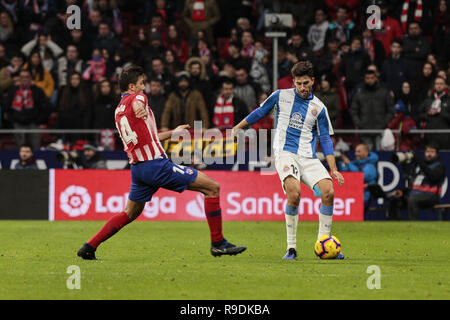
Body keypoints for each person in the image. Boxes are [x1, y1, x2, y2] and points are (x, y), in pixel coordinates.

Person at [77, 65, 246, 260]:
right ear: (131, 86)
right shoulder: (137, 98)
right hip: (155, 165)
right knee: (212, 188)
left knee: (129, 213)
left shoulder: (118, 111)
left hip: (139, 169)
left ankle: (89, 247)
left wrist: (173, 133)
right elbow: (138, 103)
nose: (144, 87)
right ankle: (218, 243)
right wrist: (139, 106)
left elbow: (149, 136)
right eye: (141, 83)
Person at [232, 61, 345, 260]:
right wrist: (237, 128)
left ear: (313, 81)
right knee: (294, 194)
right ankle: (291, 248)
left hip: (308, 157)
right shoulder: (280, 96)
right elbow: (260, 112)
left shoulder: (319, 108)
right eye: (299, 83)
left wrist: (333, 169)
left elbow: (325, 139)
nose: (302, 87)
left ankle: (322, 243)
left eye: (306, 83)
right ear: (293, 81)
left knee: (328, 192)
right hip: (285, 153)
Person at [350, 69, 395, 150]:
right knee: (367, 154)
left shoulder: (384, 92)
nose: (370, 80)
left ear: (376, 78)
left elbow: (391, 110)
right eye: (367, 78)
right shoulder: (359, 93)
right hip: (364, 131)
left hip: (380, 130)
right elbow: (353, 110)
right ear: (364, 79)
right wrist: (359, 123)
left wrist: (384, 122)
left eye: (372, 78)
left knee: (380, 154)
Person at [5, 68, 49, 150]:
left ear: (30, 78)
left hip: (34, 124)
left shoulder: (38, 91)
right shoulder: (13, 90)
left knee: (35, 148)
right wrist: (13, 121)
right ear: (19, 78)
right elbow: (7, 107)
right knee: (20, 150)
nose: (24, 78)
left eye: (27, 76)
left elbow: (45, 108)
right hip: (18, 124)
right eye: (22, 77)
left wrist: (38, 121)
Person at [339, 144, 378, 208]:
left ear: (366, 153)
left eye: (358, 151)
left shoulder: (370, 165)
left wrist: (348, 163)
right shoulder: (356, 162)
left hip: (365, 195)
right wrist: (340, 162)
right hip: (354, 193)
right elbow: (344, 173)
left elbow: (359, 177)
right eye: (355, 151)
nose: (356, 154)